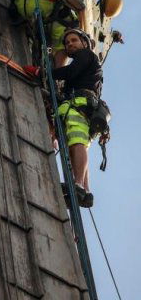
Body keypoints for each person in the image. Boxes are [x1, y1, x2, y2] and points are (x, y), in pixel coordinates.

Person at [26, 29, 104, 207]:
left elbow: (69, 72)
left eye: (74, 40)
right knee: (74, 146)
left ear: (84, 43)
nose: (70, 44)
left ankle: (78, 185)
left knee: (77, 143)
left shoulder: (87, 56)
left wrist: (41, 72)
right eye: (67, 43)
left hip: (79, 106)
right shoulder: (86, 67)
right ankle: (84, 189)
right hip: (80, 107)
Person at [11, 0, 79, 68]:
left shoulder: (63, 40)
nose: (70, 43)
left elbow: (59, 64)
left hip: (22, 2)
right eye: (72, 41)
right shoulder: (70, 20)